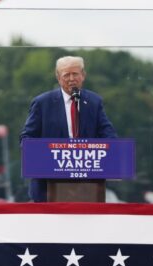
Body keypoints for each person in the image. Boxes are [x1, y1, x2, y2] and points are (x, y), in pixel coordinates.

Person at [20, 55, 117, 202]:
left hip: (87, 186)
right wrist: (48, 153)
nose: (71, 78)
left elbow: (109, 135)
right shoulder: (42, 103)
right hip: (47, 188)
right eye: (66, 75)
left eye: (75, 74)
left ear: (83, 75)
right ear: (58, 77)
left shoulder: (94, 102)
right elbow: (26, 139)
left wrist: (111, 150)